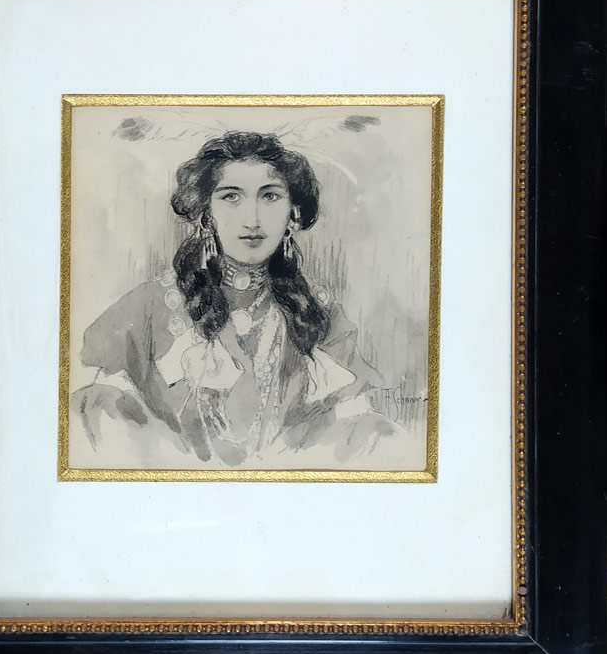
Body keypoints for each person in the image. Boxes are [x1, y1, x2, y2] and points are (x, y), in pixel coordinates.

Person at [72, 131, 399, 468]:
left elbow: (359, 438)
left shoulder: (321, 315)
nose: (251, 220)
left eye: (270, 196)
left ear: (293, 213)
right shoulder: (146, 307)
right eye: (231, 197)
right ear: (205, 213)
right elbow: (98, 429)